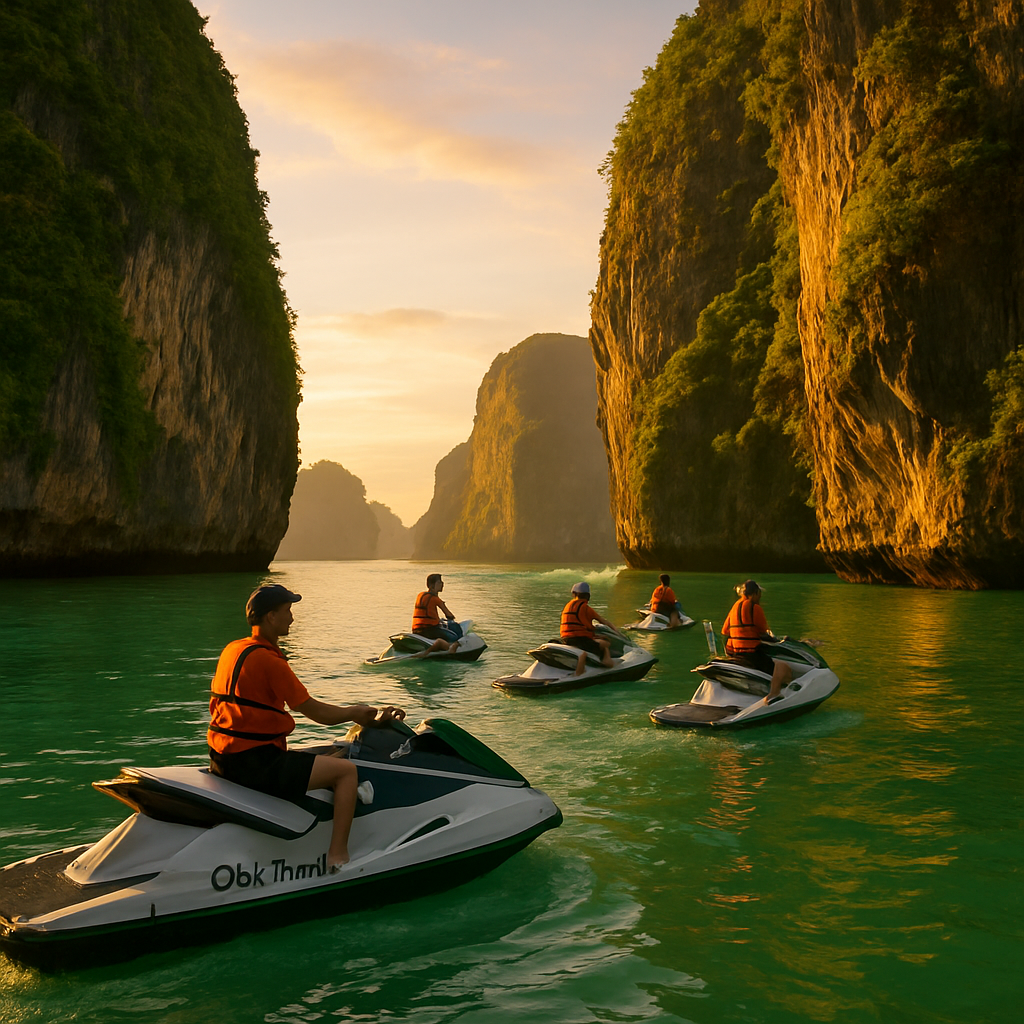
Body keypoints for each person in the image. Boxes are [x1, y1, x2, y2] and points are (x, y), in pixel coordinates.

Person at [208, 583, 406, 871]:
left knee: (336, 756)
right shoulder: (269, 661)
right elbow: (314, 711)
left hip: (223, 758)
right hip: (255, 765)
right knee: (347, 773)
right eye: (287, 611)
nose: (292, 618)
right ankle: (338, 855)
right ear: (270, 617)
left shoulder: (234, 649)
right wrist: (355, 713)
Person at [721, 579, 792, 701]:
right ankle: (774, 693)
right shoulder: (755, 607)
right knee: (782, 666)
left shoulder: (735, 607)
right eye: (759, 594)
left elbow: (725, 631)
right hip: (752, 654)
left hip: (736, 654)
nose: (760, 597)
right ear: (754, 594)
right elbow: (763, 631)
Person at [559, 581, 619, 676]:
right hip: (581, 641)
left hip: (566, 639)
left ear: (575, 594)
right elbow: (603, 621)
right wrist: (617, 631)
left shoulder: (568, 606)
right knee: (606, 642)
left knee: (598, 638)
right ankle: (606, 661)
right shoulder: (586, 608)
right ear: (588, 596)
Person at [411, 573, 461, 657]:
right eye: (439, 582)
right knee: (455, 637)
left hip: (416, 630)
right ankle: (445, 645)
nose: (442, 584)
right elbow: (449, 615)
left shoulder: (420, 595)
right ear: (431, 585)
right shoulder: (435, 599)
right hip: (430, 630)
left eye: (442, 582)